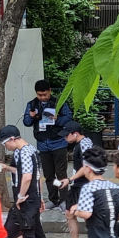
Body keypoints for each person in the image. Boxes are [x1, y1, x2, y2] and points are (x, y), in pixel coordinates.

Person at [0, 125, 47, 238]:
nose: (6, 147)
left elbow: (27, 177)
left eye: (6, 144)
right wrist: (8, 168)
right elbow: (31, 174)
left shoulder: (25, 152)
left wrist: (20, 196)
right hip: (31, 197)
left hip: (26, 198)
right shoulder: (27, 150)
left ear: (12, 139)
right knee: (11, 228)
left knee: (29, 234)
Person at [22, 80, 74, 209]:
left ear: (50, 91)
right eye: (39, 95)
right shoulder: (32, 104)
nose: (42, 97)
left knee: (61, 173)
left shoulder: (59, 102)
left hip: (58, 143)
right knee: (48, 174)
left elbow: (68, 118)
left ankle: (64, 200)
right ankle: (53, 199)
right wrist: (31, 116)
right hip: (42, 144)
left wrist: (58, 119)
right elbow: (26, 122)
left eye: (44, 94)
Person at [58, 120, 94, 238]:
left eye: (67, 135)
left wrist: (70, 179)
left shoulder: (84, 144)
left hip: (83, 184)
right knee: (69, 213)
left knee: (87, 216)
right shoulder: (80, 144)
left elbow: (86, 168)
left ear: (75, 134)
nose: (65, 138)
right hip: (78, 184)